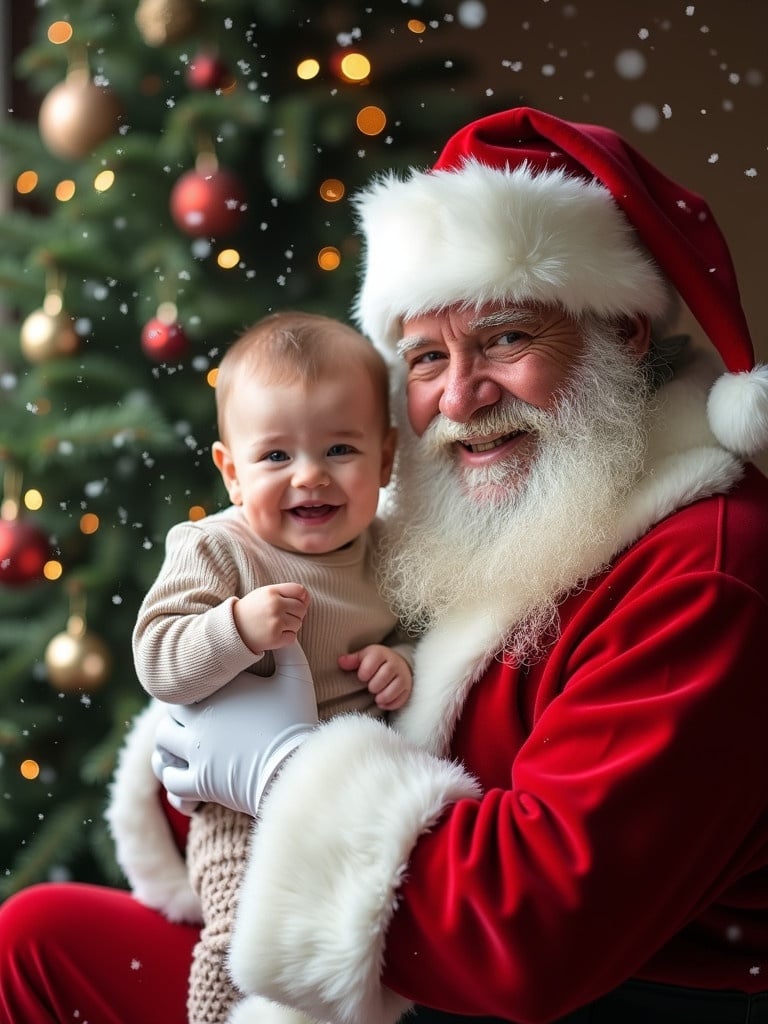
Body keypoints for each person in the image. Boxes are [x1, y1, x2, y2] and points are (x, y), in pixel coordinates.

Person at [2, 105, 768, 1024]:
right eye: (426, 358)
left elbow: (532, 932)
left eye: (508, 340)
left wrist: (285, 767)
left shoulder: (707, 568)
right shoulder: (462, 523)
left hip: (575, 1003)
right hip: (395, 967)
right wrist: (207, 735)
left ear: (626, 331)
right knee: (36, 938)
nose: (461, 395)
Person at [133, 310, 413, 1024]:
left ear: (385, 460)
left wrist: (398, 660)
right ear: (231, 471)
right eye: (276, 457)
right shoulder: (217, 549)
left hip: (352, 806)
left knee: (351, 961)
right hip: (237, 811)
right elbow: (159, 658)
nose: (310, 476)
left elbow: (422, 633)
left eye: (340, 448)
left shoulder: (387, 552)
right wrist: (233, 628)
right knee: (243, 947)